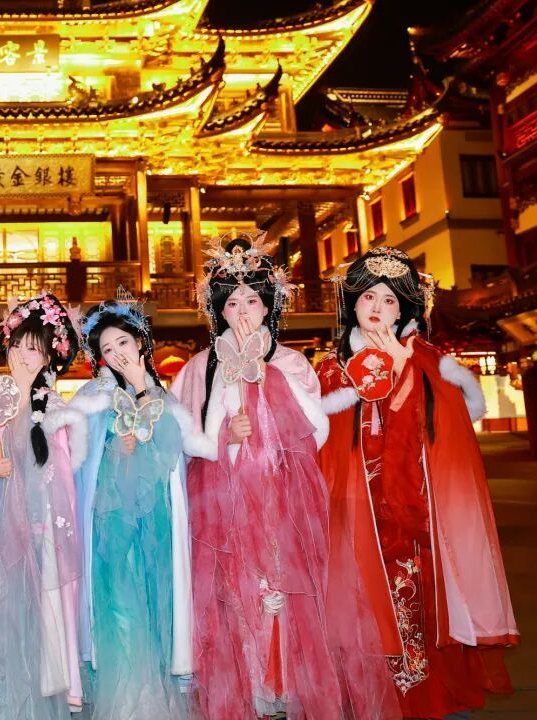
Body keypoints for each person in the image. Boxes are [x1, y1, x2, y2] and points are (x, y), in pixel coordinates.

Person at [171, 232, 398, 719]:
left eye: (252, 301)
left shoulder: (291, 362)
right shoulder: (198, 368)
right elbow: (180, 435)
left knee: (285, 591)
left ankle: (284, 686)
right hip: (220, 504)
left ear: (269, 305)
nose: (243, 312)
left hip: (282, 500)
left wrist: (265, 381)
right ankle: (244, 686)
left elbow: (316, 432)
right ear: (218, 311)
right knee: (232, 594)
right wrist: (224, 436)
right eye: (232, 303)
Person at [316, 245, 518, 718]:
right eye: (368, 297)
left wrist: (403, 368)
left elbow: (445, 431)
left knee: (415, 600)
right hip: (352, 509)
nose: (377, 308)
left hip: (414, 509)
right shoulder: (328, 367)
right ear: (352, 303)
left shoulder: (428, 361)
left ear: (405, 309)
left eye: (389, 300)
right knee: (359, 603)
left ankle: (421, 694)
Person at [0, 292, 86, 719]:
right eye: (18, 345)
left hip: (38, 539)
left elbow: (58, 479)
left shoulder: (57, 410)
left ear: (50, 357)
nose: (23, 355)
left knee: (36, 630)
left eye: (34, 349)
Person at [71, 289, 194, 720]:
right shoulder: (92, 397)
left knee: (156, 608)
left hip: (155, 524)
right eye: (107, 349)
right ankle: (125, 707)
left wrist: (142, 388)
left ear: (140, 342)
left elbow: (173, 452)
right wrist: (113, 449)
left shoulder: (163, 395)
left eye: (123, 342)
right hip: (110, 526)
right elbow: (78, 461)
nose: (117, 353)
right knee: (120, 611)